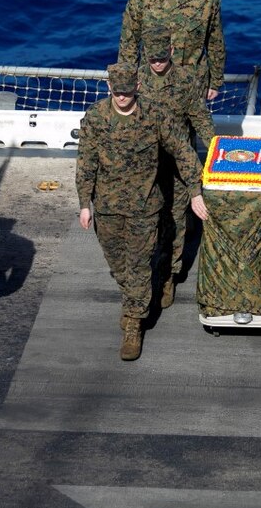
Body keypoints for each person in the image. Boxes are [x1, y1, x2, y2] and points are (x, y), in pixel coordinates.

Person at [76, 63, 208, 361]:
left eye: (127, 91)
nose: (122, 97)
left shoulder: (154, 115)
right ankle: (133, 300)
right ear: (109, 88)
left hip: (144, 208)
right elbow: (85, 162)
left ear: (137, 87)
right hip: (107, 206)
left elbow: (182, 151)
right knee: (118, 265)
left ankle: (135, 322)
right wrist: (84, 203)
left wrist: (195, 190)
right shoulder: (96, 117)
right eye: (117, 92)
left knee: (138, 265)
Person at [138, 27, 216, 307]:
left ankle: (169, 275)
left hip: (178, 162)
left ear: (171, 51)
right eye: (152, 59)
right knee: (145, 220)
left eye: (162, 58)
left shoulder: (186, 81)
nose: (158, 64)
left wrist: (216, 150)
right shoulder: (136, 79)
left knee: (176, 220)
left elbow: (200, 118)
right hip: (145, 165)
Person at [118, 0, 226, 100]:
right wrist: (126, 82)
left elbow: (215, 41)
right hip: (151, 87)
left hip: (192, 86)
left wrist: (215, 82)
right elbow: (129, 43)